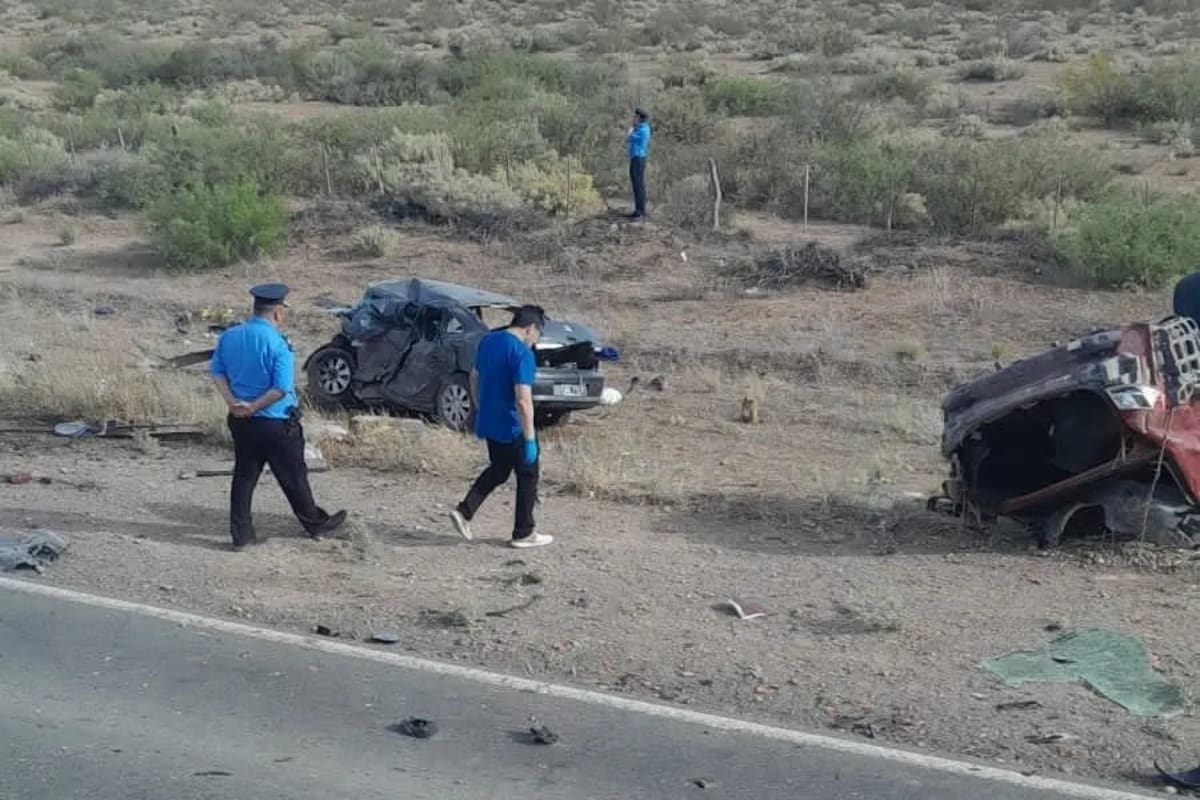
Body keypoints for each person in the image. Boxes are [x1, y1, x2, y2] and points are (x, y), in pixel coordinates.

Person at [209, 283, 347, 552]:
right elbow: (281, 388)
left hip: (241, 421)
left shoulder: (230, 336)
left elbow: (217, 372)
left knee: (244, 476)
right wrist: (254, 406)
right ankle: (315, 524)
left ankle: (241, 535)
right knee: (294, 476)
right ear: (278, 313)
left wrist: (234, 403)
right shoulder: (278, 343)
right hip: (276, 422)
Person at [449, 305, 553, 549]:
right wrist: (530, 439)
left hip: (490, 420)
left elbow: (474, 376)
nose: (536, 340)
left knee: (499, 469)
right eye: (538, 334)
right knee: (528, 474)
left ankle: (464, 511)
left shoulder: (488, 341)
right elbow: (523, 400)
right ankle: (524, 532)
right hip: (514, 425)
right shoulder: (522, 353)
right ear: (531, 328)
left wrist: (480, 406)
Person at [626, 108, 651, 220]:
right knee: (636, 185)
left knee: (639, 185)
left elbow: (629, 137)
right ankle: (637, 210)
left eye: (635, 117)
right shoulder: (639, 128)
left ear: (640, 118)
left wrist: (632, 128)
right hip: (635, 158)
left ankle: (641, 211)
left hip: (639, 159)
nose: (633, 118)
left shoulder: (643, 129)